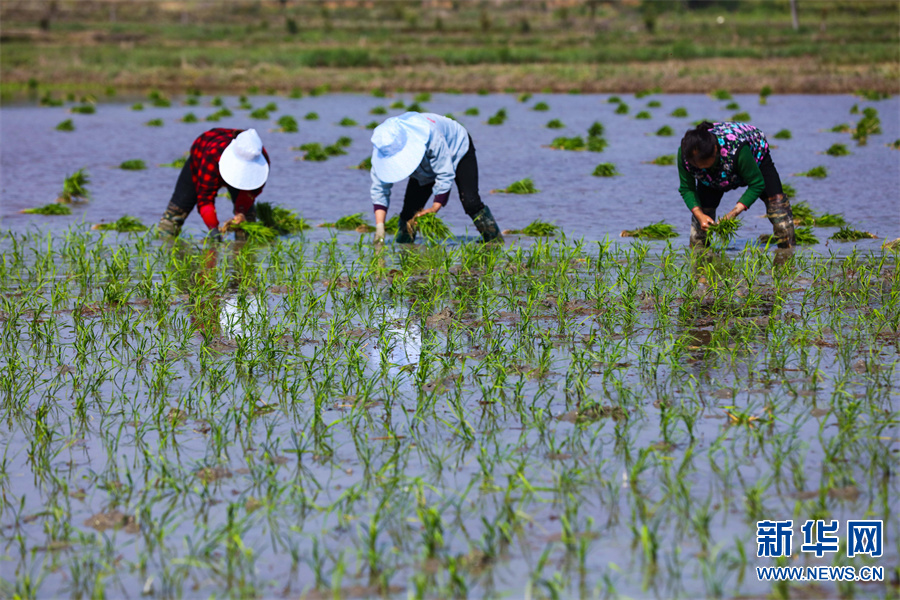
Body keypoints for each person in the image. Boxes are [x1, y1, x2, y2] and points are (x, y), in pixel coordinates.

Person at [369, 112, 502, 244]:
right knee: (409, 214)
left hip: (456, 147)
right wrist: (380, 227)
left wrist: (434, 208)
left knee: (470, 201)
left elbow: (445, 172)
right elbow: (379, 188)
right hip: (424, 166)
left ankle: (493, 241)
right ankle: (404, 248)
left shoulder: (429, 134)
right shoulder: (382, 149)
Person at [678, 121, 795, 248]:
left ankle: (787, 252)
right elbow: (687, 188)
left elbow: (757, 183)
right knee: (700, 228)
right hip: (712, 178)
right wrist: (699, 215)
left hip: (754, 159)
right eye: (696, 165)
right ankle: (699, 262)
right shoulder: (685, 154)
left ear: (715, 150)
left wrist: (733, 213)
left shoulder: (737, 150)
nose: (700, 167)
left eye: (704, 163)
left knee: (778, 209)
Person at [158, 128, 270, 241]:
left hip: (232, 162)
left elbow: (251, 192)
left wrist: (241, 212)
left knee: (247, 219)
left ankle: (242, 248)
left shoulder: (260, 159)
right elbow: (205, 198)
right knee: (176, 212)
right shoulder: (212, 154)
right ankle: (164, 243)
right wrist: (214, 230)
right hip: (203, 156)